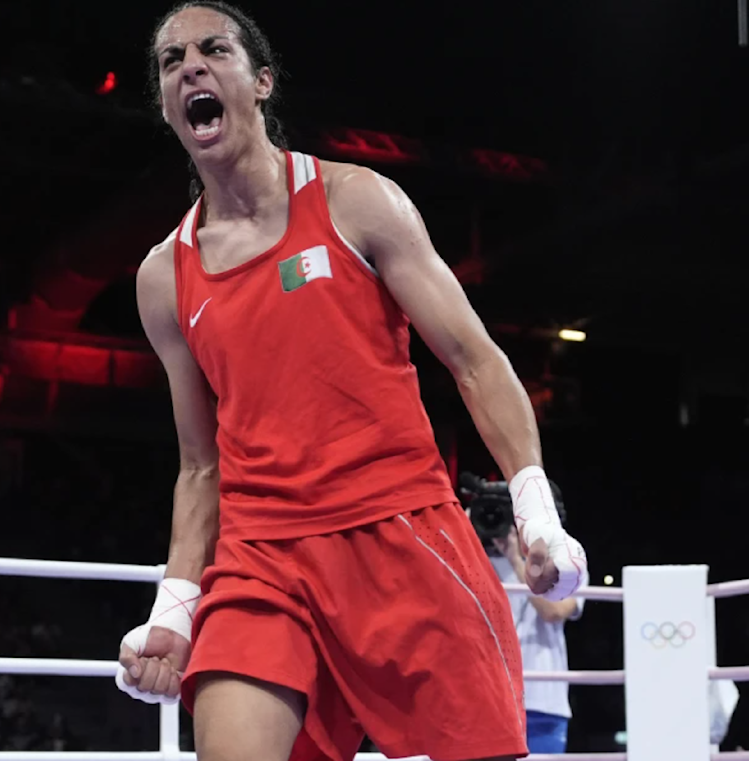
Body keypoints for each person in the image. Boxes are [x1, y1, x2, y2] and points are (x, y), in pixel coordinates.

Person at [116, 3, 588, 761]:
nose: (190, 67)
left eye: (213, 50)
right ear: (168, 105)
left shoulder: (355, 202)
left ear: (261, 80)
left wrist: (535, 510)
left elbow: (474, 358)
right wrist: (175, 606)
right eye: (172, 62)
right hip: (261, 557)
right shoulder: (163, 279)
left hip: (400, 531)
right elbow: (201, 464)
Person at [490, 526, 584, 754]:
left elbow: (554, 611)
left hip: (543, 699)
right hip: (490, 698)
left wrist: (516, 561)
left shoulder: (569, 563)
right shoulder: (474, 560)